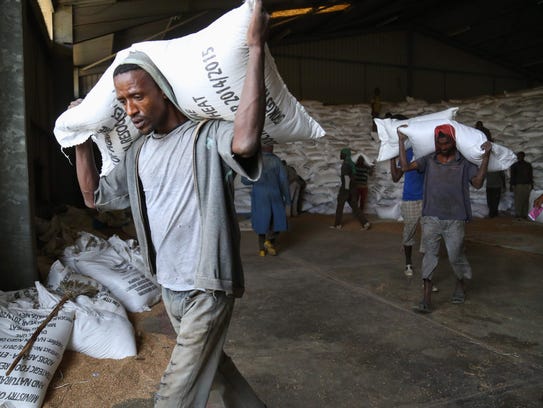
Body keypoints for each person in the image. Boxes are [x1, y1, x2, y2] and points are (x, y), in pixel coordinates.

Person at [72, 2, 269, 407]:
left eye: (139, 97)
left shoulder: (206, 137)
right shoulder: (138, 152)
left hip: (206, 285)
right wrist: (79, 141)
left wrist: (255, 49)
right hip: (170, 286)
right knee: (216, 375)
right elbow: (93, 198)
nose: (131, 110)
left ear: (163, 90)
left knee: (173, 395)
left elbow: (246, 141)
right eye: (124, 101)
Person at [397, 123, 492, 314]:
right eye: (439, 144)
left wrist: (486, 158)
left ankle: (461, 283)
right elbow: (406, 167)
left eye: (446, 143)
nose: (442, 147)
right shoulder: (428, 160)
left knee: (455, 255)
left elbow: (478, 183)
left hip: (455, 218)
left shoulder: (464, 163)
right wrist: (400, 141)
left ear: (453, 142)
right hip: (431, 216)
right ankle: (426, 297)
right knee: (429, 255)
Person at [243, 144, 291, 256]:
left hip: (259, 196)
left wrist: (256, 179)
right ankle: (270, 241)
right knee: (276, 220)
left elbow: (245, 181)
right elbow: (283, 181)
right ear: (270, 148)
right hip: (275, 194)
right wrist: (288, 199)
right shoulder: (276, 161)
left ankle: (261, 250)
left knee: (261, 221)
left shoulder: (254, 162)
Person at [331, 148, 371, 230]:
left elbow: (346, 177)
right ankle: (365, 223)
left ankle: (337, 224)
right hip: (353, 188)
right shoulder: (351, 164)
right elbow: (352, 176)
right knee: (355, 206)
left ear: (345, 155)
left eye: (342, 153)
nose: (340, 155)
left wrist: (346, 190)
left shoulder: (345, 164)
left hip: (346, 188)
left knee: (340, 206)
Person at [476, 128, 505, 218]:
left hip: (496, 185)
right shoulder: (487, 166)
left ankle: (494, 213)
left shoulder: (497, 166)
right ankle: (492, 212)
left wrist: (504, 185)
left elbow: (502, 175)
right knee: (490, 200)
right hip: (490, 185)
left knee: (495, 200)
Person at [510, 151, 533, 219]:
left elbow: (530, 175)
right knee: (518, 200)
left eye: (521, 156)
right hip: (518, 185)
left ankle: (524, 214)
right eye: (518, 156)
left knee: (526, 200)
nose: (519, 157)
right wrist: (511, 185)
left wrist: (531, 185)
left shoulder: (528, 165)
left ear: (524, 156)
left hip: (527, 185)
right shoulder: (514, 165)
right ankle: (518, 214)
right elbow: (512, 176)